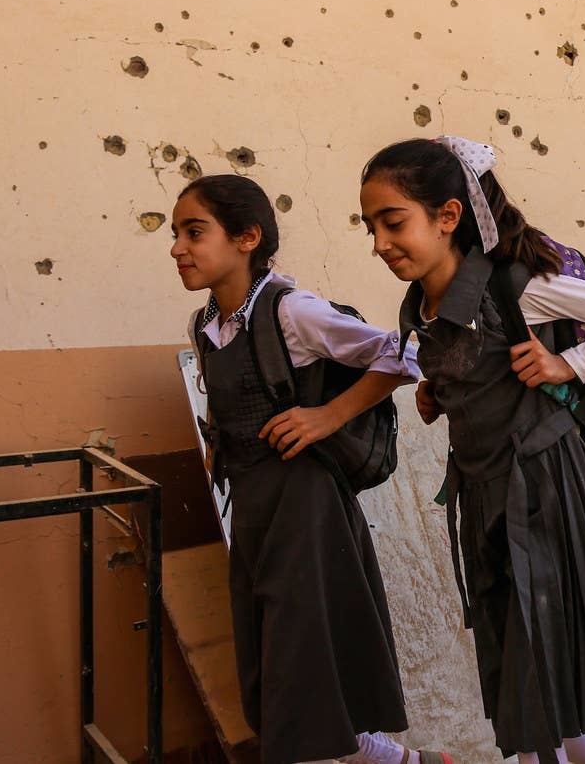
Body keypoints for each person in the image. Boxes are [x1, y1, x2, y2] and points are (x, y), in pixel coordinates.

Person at [359, 135, 585, 764]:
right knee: (510, 640)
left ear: (448, 217)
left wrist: (568, 363)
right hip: (481, 489)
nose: (380, 243)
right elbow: (473, 367)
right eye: (370, 227)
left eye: (393, 222)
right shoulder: (421, 304)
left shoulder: (519, 286)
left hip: (543, 483)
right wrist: (438, 394)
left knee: (543, 640)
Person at [170, 174, 446, 764]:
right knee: (272, 650)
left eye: (195, 232)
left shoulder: (291, 311)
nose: (177, 248)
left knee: (301, 654)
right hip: (252, 505)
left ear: (247, 237)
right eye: (175, 235)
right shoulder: (206, 326)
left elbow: (406, 351)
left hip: (305, 505)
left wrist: (328, 415)